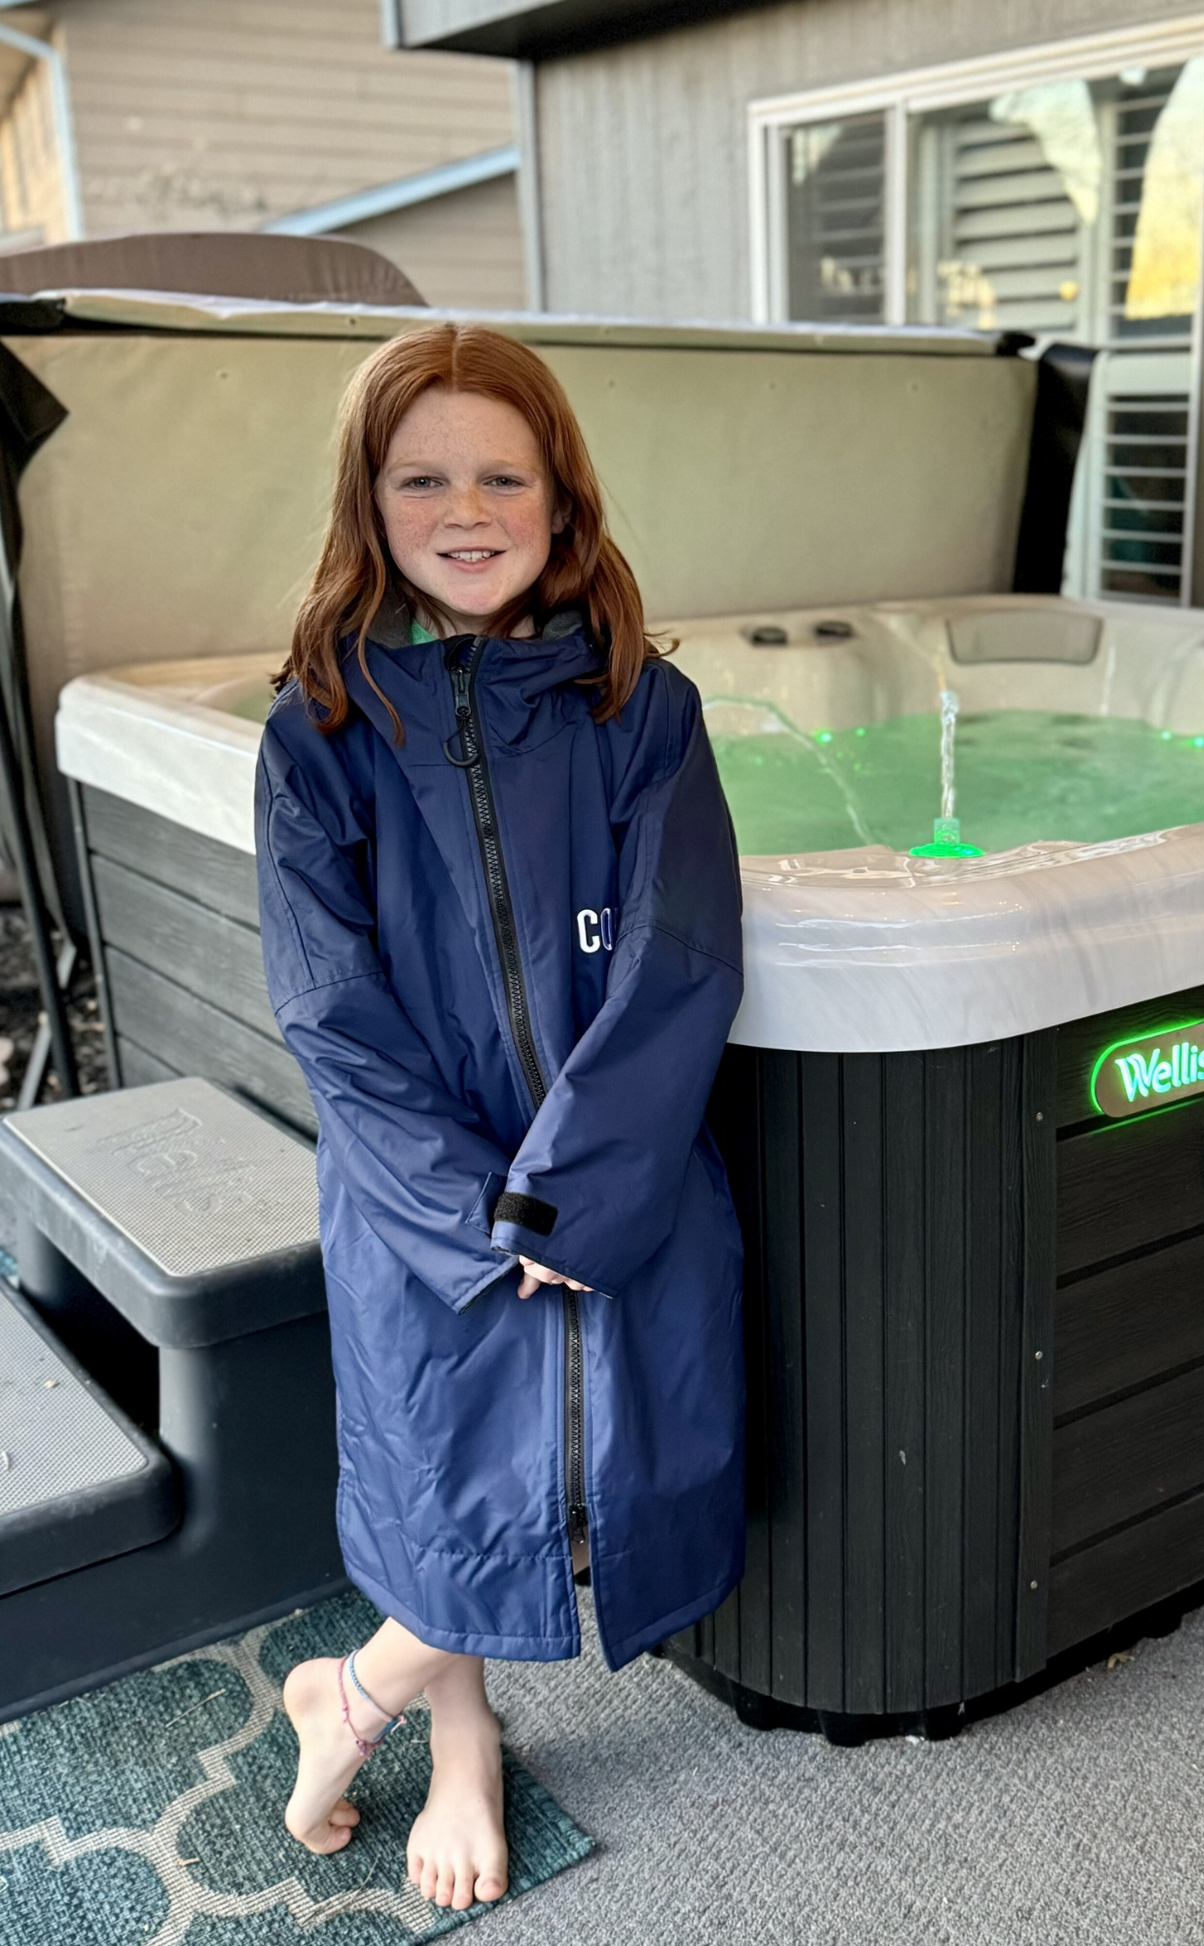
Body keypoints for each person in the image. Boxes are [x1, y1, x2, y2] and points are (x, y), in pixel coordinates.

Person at [255, 322, 745, 1910]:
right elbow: (328, 1005)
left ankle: (355, 1690)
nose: (465, 510)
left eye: (501, 476)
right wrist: (472, 1211)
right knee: (448, 1487)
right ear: (368, 499)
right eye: (422, 479)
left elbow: (678, 958)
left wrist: (570, 1193)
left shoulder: (639, 707)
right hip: (421, 1194)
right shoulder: (320, 730)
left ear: (560, 493)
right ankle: (452, 1734)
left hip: (612, 1171)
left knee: (585, 1489)